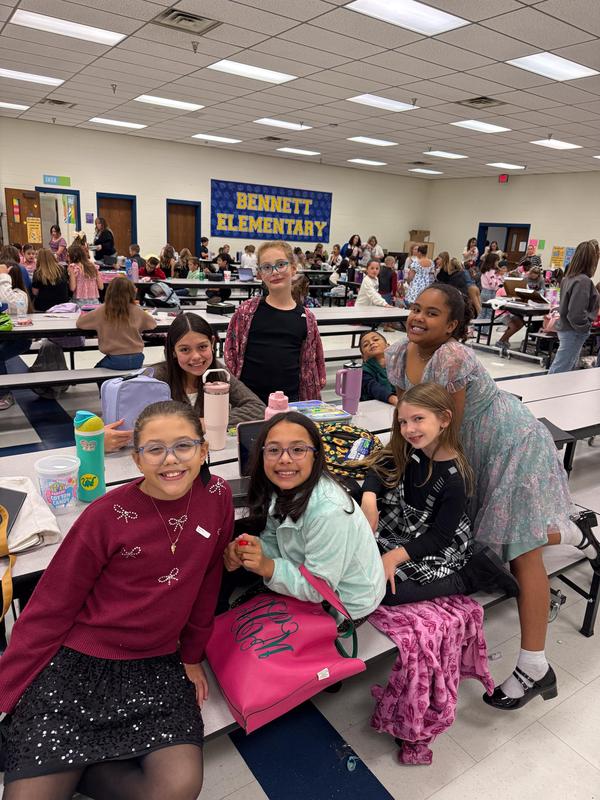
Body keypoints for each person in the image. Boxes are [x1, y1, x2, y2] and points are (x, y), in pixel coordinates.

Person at [0, 400, 233, 799]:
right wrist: (7, 688)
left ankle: (74, 761)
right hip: (80, 666)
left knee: (177, 788)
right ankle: (64, 756)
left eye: (184, 445)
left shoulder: (217, 495)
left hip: (156, 666)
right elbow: (49, 607)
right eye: (154, 449)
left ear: (204, 449)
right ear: (137, 459)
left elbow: (208, 579)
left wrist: (191, 655)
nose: (170, 459)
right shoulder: (106, 515)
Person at [385, 283, 600, 710]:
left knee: (520, 551)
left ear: (452, 326)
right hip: (471, 443)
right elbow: (412, 414)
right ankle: (575, 532)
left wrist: (438, 486)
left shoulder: (453, 358)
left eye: (432, 313)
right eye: (416, 308)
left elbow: (449, 431)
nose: (419, 317)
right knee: (497, 535)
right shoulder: (398, 353)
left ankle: (534, 666)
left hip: (507, 443)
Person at [362, 383, 518, 605]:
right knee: (358, 561)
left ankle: (469, 576)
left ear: (444, 419)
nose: (409, 429)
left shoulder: (455, 479)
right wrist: (369, 497)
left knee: (387, 592)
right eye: (403, 422)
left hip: (438, 543)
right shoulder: (410, 446)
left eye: (418, 419)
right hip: (406, 529)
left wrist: (393, 557)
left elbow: (439, 537)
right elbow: (379, 466)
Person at [223, 411, 385, 619]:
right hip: (307, 578)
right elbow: (277, 542)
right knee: (237, 617)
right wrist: (252, 549)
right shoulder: (281, 489)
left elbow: (318, 589)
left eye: (298, 449)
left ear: (316, 455)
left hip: (345, 603)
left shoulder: (329, 511)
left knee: (250, 629)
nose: (284, 459)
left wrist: (268, 567)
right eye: (273, 450)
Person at [225, 240, 326, 405]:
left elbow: (313, 365)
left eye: (281, 264)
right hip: (248, 403)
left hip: (290, 404)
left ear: (293, 268)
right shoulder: (246, 312)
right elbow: (231, 356)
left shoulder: (307, 319)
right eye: (266, 267)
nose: (274, 272)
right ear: (260, 274)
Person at [153, 312, 265, 428]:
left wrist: (209, 422)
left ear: (212, 343)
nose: (196, 356)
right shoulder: (156, 378)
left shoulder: (219, 372)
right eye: (185, 349)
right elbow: (140, 421)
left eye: (202, 347)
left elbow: (258, 409)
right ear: (173, 351)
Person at [76, 276, 156, 370]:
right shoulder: (137, 310)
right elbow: (153, 324)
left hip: (115, 359)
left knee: (98, 371)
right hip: (137, 358)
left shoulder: (102, 310)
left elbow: (80, 323)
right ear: (132, 292)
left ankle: (111, 384)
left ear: (109, 292)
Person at [548, 241, 600, 374]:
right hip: (574, 330)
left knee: (568, 367)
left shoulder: (568, 278)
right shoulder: (583, 281)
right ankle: (548, 392)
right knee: (561, 368)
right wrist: (585, 326)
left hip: (568, 328)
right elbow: (575, 313)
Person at [0, 262, 34, 410]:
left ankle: (5, 393)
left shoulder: (20, 294)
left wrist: (3, 276)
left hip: (19, 339)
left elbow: (8, 299)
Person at [495, 266, 547, 355]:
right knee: (515, 326)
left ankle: (505, 340)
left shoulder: (519, 288)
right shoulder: (503, 290)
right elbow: (503, 303)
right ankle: (501, 342)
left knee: (521, 323)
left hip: (511, 313)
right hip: (502, 313)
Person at [358, 331, 397, 405]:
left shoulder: (399, 365)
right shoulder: (363, 371)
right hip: (372, 408)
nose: (371, 343)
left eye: (375, 340)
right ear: (363, 357)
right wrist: (392, 399)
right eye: (366, 345)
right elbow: (374, 387)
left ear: (388, 346)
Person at [479, 251, 501, 332]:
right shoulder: (492, 271)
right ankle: (484, 331)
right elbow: (492, 284)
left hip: (483, 292)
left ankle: (476, 328)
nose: (498, 263)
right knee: (489, 313)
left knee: (482, 312)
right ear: (493, 261)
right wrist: (499, 281)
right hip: (490, 293)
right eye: (497, 261)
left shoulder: (485, 270)